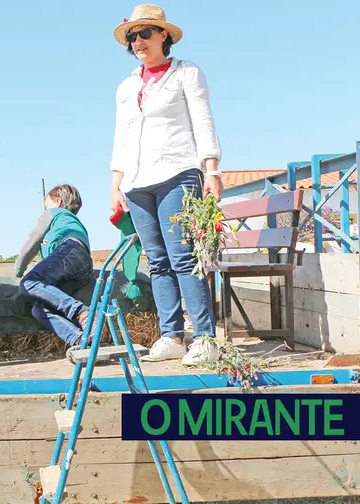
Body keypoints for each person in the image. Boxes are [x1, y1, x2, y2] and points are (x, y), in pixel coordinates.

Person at [109, 5, 223, 366]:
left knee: (183, 257)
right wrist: (116, 184)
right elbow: (122, 138)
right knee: (156, 261)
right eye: (132, 36)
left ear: (164, 36)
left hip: (177, 173)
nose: (138, 41)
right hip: (137, 182)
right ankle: (171, 335)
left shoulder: (186, 73)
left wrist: (213, 169)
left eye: (145, 33)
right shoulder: (127, 86)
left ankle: (204, 337)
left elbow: (203, 121)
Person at [14, 184, 94, 358]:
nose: (45, 210)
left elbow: (34, 238)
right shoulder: (73, 221)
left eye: (46, 205)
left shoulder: (55, 213)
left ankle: (81, 311)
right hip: (82, 266)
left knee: (28, 283)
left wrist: (19, 267)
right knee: (40, 309)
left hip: (69, 251)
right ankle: (79, 339)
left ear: (57, 202)